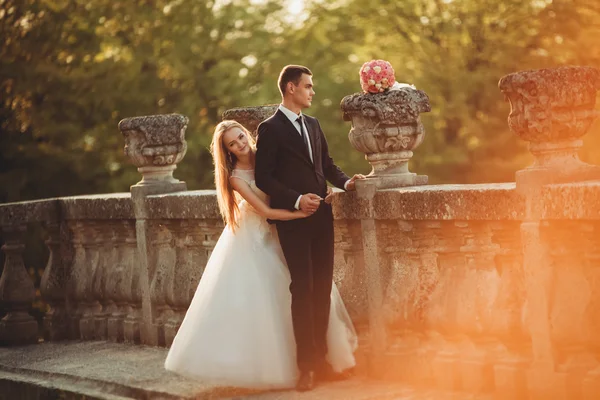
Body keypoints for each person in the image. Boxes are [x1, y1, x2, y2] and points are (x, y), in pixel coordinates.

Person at [164, 120, 357, 390]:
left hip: (292, 231)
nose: (241, 144)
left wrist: (326, 190)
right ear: (228, 151)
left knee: (316, 290)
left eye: (241, 136)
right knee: (278, 292)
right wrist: (300, 211)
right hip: (261, 233)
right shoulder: (236, 178)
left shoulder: (269, 155)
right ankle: (295, 367)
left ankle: (320, 360)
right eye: (233, 143)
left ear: (247, 133)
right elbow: (265, 212)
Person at [255, 65, 365, 391]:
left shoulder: (314, 125)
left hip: (322, 218)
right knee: (302, 291)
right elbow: (264, 177)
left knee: (321, 290)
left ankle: (323, 362)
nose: (312, 92)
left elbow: (327, 165)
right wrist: (297, 199)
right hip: (295, 222)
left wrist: (346, 183)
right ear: (290, 88)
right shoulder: (270, 128)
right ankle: (306, 368)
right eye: (307, 86)